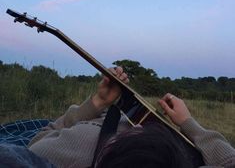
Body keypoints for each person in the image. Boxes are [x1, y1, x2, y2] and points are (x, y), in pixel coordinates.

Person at [28, 67, 235, 168]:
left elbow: (36, 142)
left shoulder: (59, 153)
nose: (139, 128)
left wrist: (98, 102)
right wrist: (187, 122)